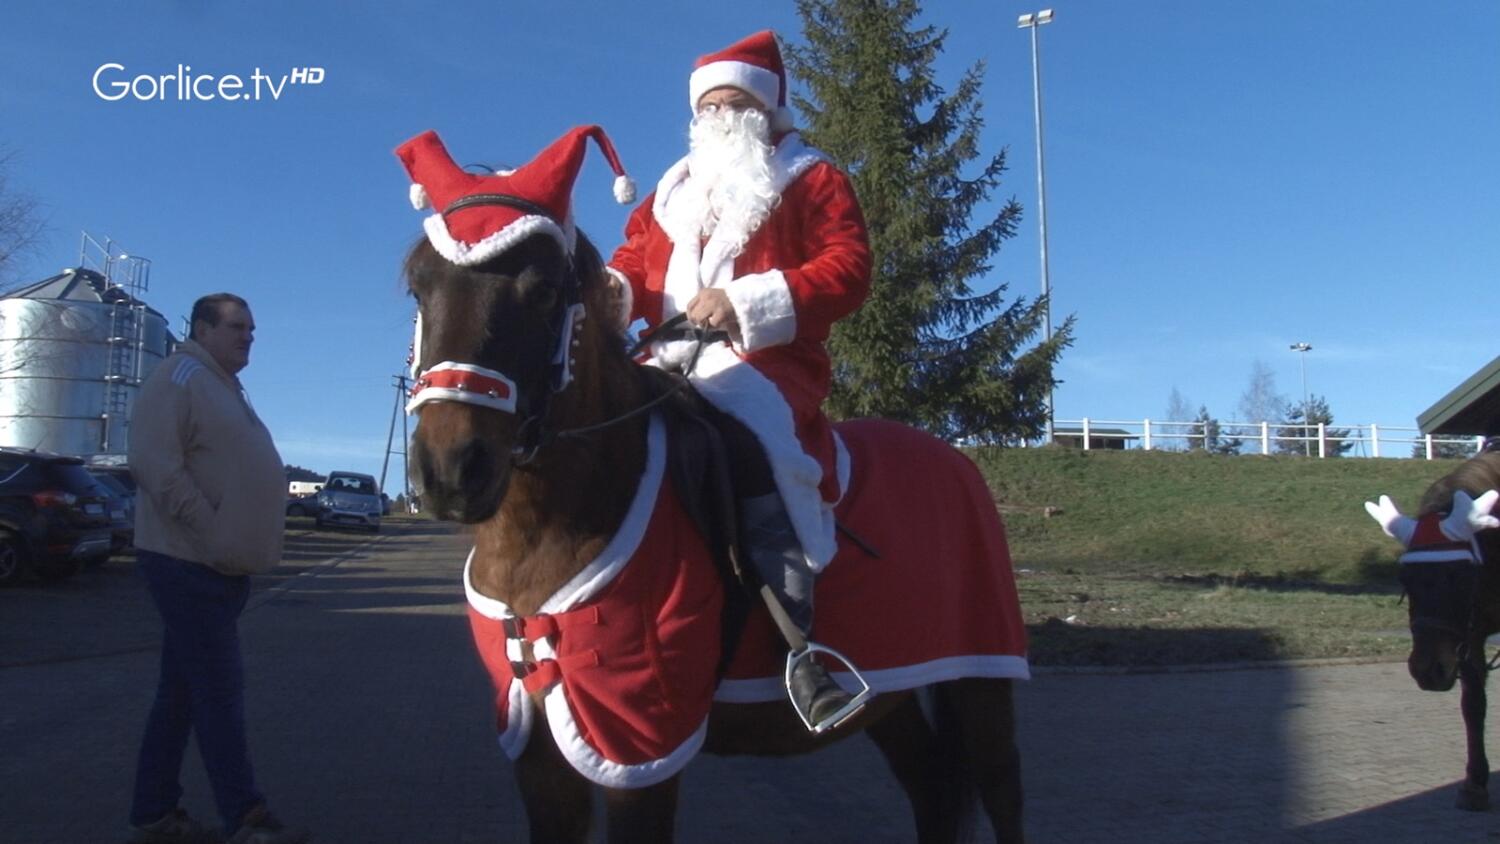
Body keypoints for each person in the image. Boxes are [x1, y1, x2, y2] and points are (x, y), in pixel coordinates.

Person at [607, 30, 874, 732]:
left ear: (766, 112)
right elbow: (634, 265)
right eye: (709, 109)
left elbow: (848, 269)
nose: (720, 119)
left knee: (751, 440)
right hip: (663, 357)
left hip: (764, 361)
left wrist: (747, 301)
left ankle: (798, 639)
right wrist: (609, 294)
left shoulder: (812, 178)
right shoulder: (668, 192)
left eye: (735, 105)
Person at [127, 294, 308, 844]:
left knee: (180, 694)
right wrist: (211, 527)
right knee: (219, 690)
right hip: (187, 561)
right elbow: (155, 465)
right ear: (202, 328)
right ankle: (246, 818)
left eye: (252, 328)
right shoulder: (178, 376)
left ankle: (153, 814)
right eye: (236, 327)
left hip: (217, 566)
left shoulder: (223, 385)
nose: (248, 336)